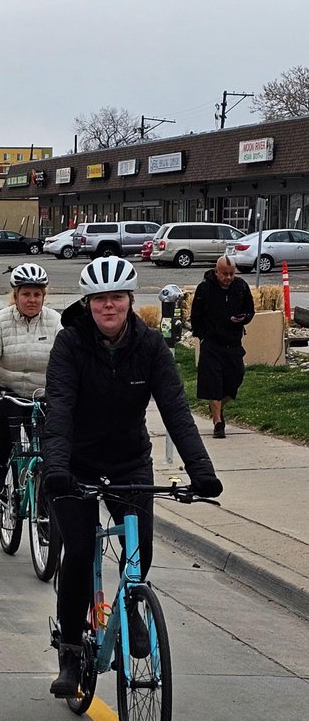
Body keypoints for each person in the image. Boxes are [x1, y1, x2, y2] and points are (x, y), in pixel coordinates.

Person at [42, 256, 223, 697]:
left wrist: (202, 472)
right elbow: (60, 411)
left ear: (129, 301)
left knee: (138, 550)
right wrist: (57, 470)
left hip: (128, 461)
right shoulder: (69, 344)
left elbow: (176, 412)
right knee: (81, 553)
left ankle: (134, 609)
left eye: (117, 298)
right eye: (100, 299)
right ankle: (70, 651)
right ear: (88, 304)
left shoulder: (150, 347)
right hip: (76, 465)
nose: (109, 307)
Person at [0, 262, 61, 492]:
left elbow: (67, 360)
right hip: (7, 391)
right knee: (6, 421)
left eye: (37, 294)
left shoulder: (55, 321)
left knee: (46, 439)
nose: (32, 299)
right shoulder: (0, 321)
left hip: (42, 393)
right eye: (26, 294)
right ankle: (1, 465)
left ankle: (45, 489)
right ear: (16, 295)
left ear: (44, 296)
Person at [190, 254, 255, 439]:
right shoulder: (205, 288)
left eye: (231, 274)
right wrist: (201, 336)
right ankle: (218, 423)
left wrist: (244, 318)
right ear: (216, 272)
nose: (228, 278)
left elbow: (250, 310)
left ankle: (216, 407)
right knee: (213, 382)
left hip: (233, 342)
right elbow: (196, 315)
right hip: (211, 343)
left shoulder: (241, 286)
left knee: (236, 377)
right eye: (224, 274)